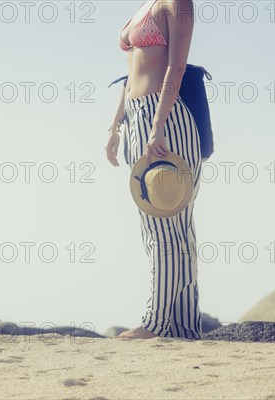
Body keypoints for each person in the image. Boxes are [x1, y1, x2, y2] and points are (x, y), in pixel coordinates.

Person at [105, 0, 203, 339]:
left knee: (165, 225)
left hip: (166, 117)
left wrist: (158, 125)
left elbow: (176, 67)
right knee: (162, 228)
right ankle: (184, 327)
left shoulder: (178, 4)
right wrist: (115, 126)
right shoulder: (145, 5)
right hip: (137, 116)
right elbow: (130, 72)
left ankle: (157, 323)